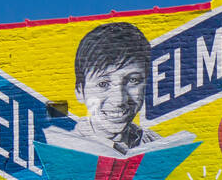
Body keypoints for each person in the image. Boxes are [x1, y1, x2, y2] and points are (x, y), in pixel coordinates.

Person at [43, 22, 157, 157]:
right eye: (103, 84)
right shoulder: (64, 151)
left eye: (133, 80)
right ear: (80, 91)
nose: (119, 100)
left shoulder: (155, 143)